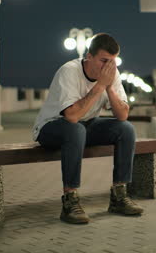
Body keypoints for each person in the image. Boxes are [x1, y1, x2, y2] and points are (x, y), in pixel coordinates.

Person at [32, 33, 143, 224]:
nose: (108, 66)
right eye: (103, 61)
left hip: (84, 125)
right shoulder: (69, 71)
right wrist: (100, 85)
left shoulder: (112, 74)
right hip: (51, 127)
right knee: (76, 129)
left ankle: (119, 196)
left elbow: (123, 115)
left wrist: (109, 88)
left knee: (126, 129)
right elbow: (72, 116)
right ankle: (70, 201)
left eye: (112, 61)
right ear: (89, 57)